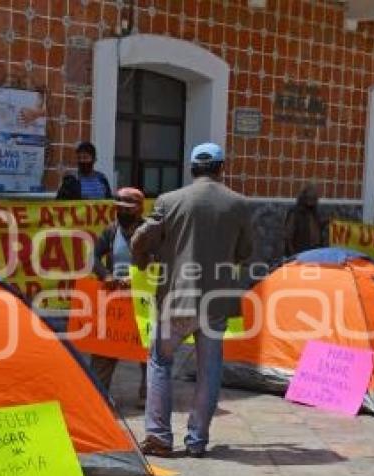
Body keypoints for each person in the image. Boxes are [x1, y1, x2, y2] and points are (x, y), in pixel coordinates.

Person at [131, 142, 253, 458]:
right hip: (216, 302)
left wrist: (146, 256)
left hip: (177, 299)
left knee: (160, 361)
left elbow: (141, 238)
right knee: (209, 370)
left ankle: (158, 436)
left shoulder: (170, 201)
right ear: (221, 168)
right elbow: (245, 252)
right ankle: (197, 440)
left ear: (191, 169)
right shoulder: (238, 204)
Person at [89, 187, 148, 405]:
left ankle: (148, 394)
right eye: (119, 208)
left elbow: (162, 263)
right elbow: (94, 257)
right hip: (114, 296)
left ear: (139, 209)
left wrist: (139, 279)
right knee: (105, 349)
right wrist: (105, 275)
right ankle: (99, 393)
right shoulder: (110, 231)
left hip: (142, 296)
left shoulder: (150, 232)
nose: (121, 212)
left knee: (147, 347)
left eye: (127, 209)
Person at [284, 184, 326, 256]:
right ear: (304, 198)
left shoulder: (315, 214)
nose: (312, 201)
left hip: (314, 252)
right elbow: (288, 237)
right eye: (310, 198)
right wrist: (293, 255)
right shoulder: (295, 213)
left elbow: (318, 232)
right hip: (299, 253)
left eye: (314, 198)